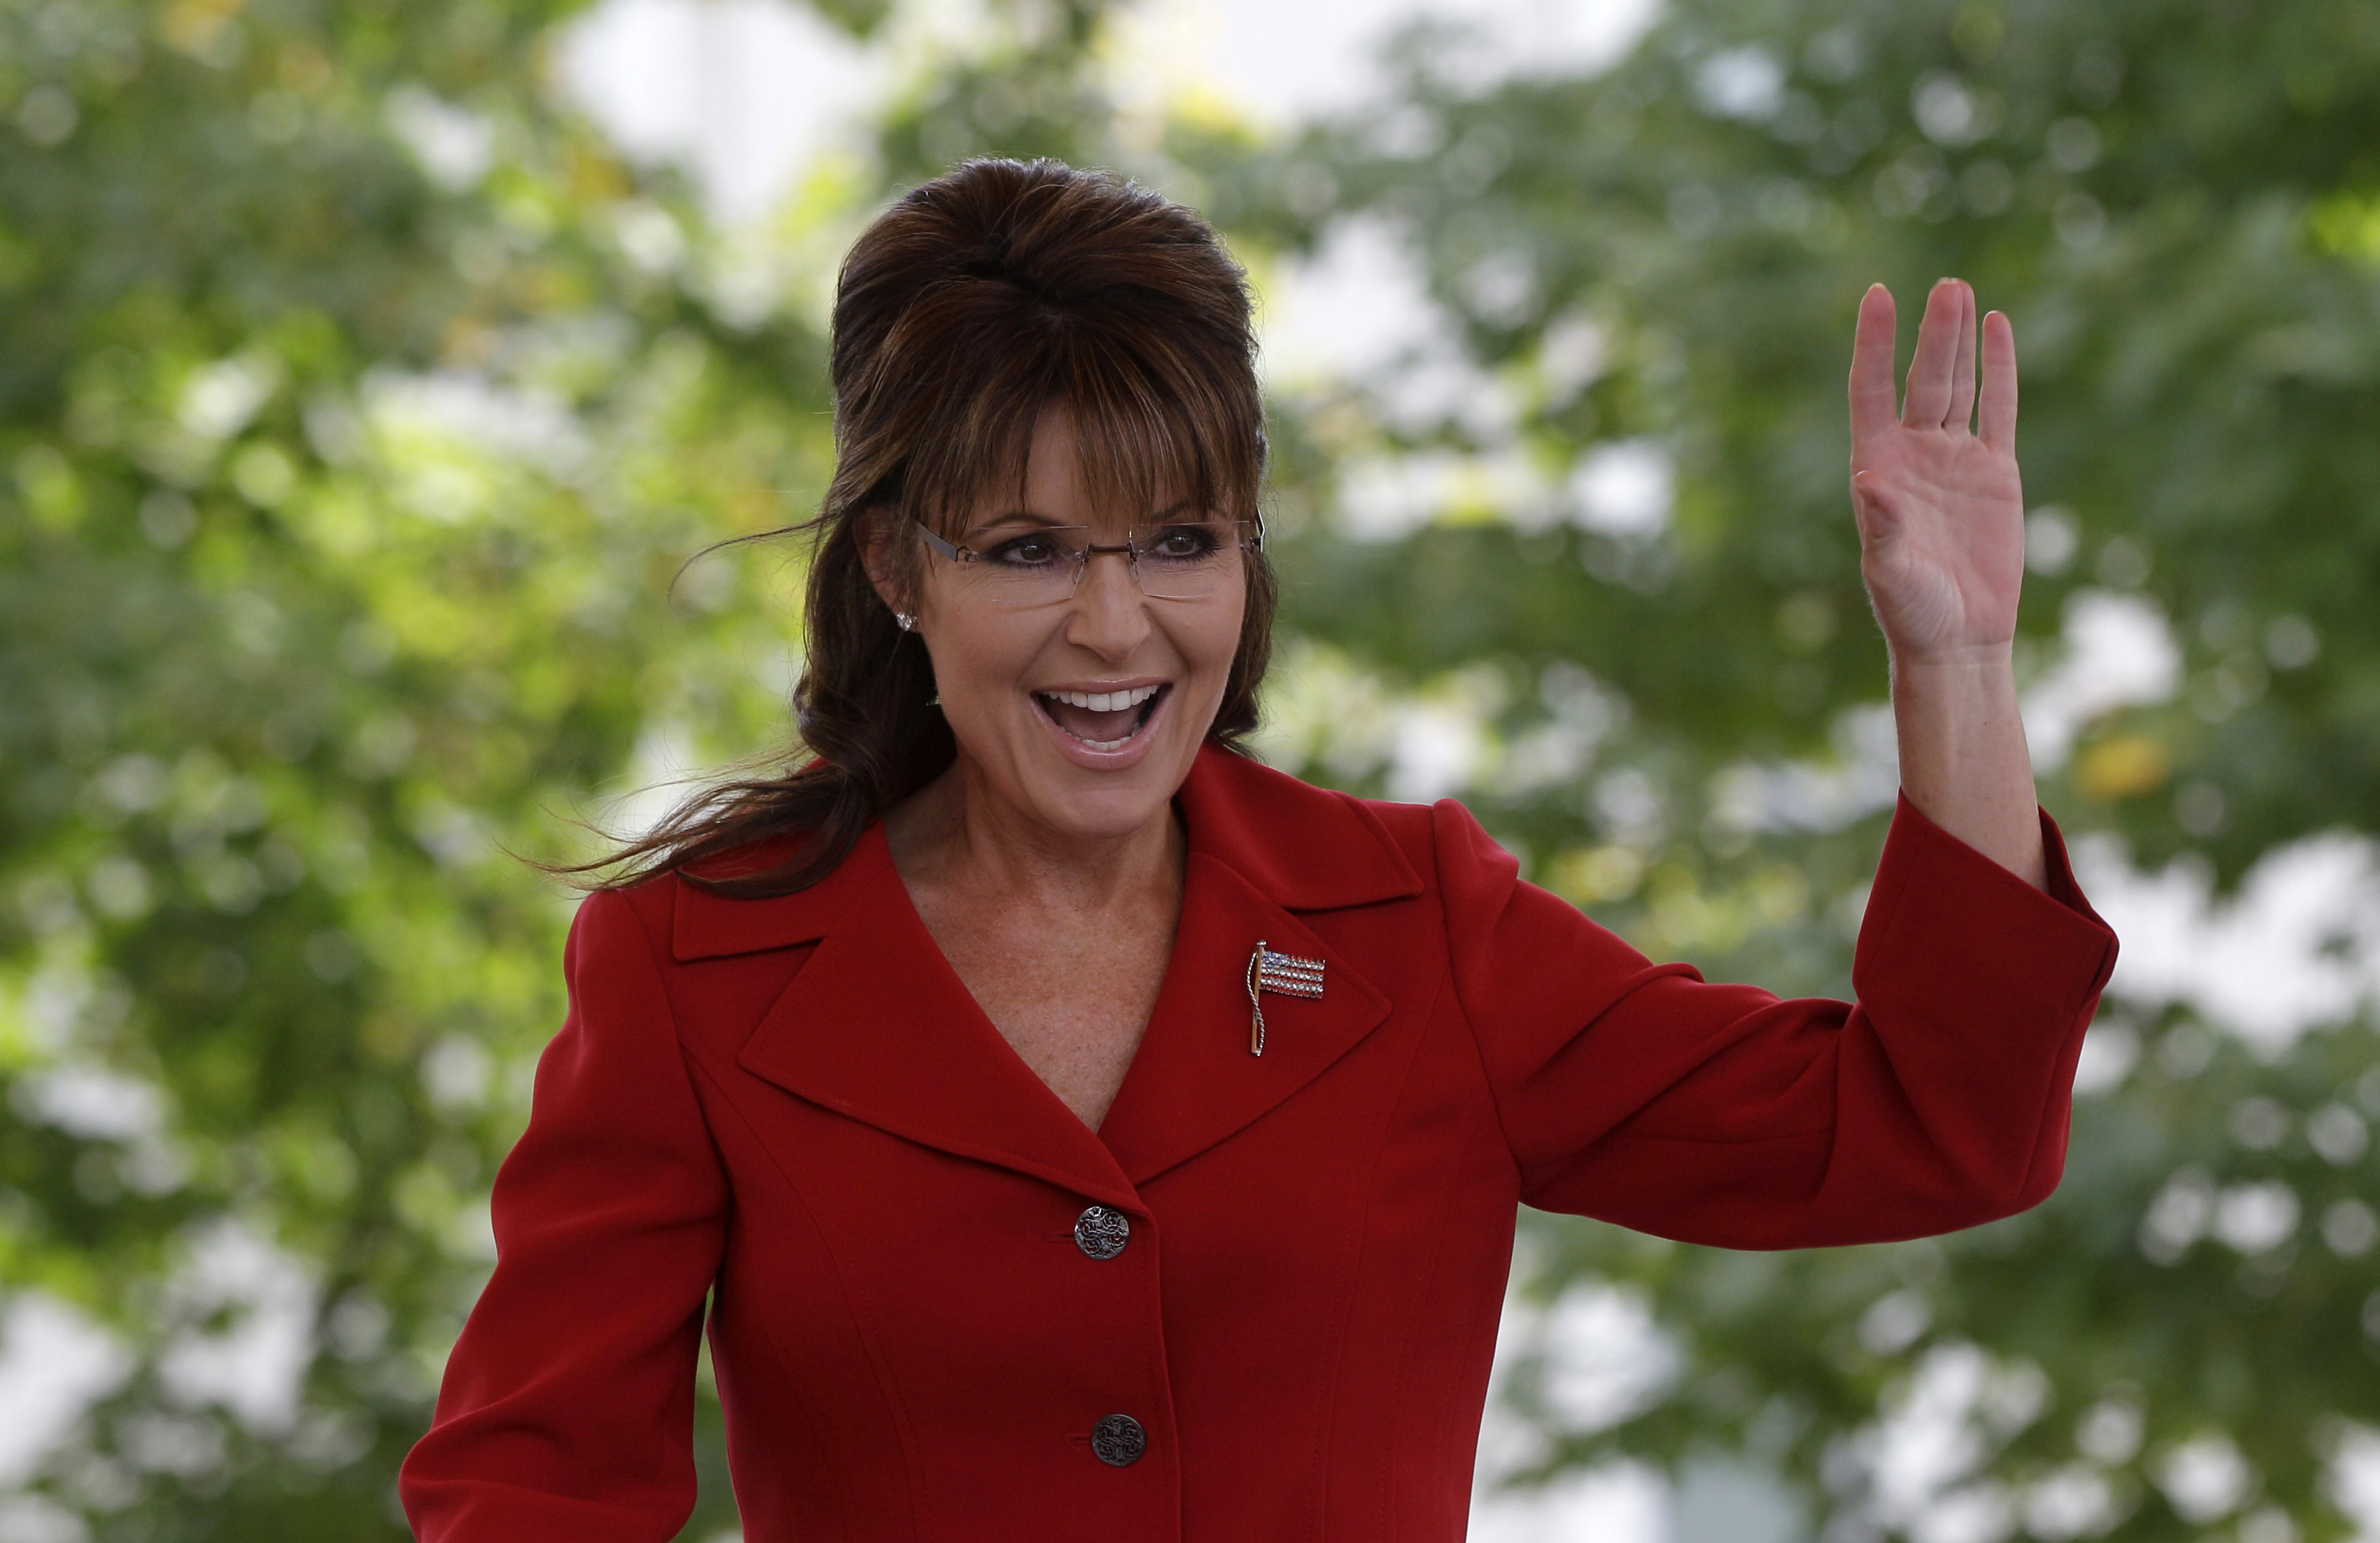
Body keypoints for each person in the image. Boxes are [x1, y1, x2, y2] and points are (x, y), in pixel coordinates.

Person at [399, 158, 2116, 1542]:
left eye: (1178, 539)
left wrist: (1955, 663)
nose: (1114, 624)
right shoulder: (699, 964)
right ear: (895, 572)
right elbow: (533, 1491)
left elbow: (1931, 1130)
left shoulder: (1417, 924)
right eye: (1025, 549)